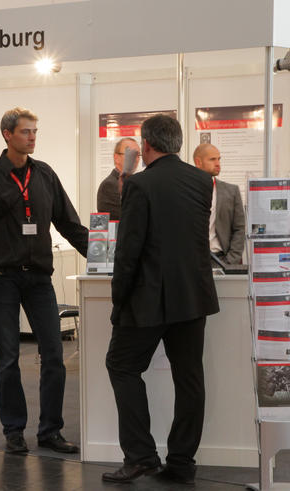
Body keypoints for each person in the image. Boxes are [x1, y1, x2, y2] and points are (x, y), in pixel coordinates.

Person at [102, 115, 219, 485]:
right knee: (189, 378)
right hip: (193, 297)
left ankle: (140, 456)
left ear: (146, 145)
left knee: (121, 366)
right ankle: (182, 461)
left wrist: (118, 301)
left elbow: (129, 251)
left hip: (147, 299)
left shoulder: (139, 185)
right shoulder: (203, 181)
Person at [0, 107, 89, 455]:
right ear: (7, 134)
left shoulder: (45, 175)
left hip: (39, 279)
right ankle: (14, 429)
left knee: (53, 354)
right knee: (7, 358)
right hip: (2, 278)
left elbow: (69, 224)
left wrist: (101, 256)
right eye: (26, 132)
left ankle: (50, 430)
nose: (32, 137)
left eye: (35, 132)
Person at [193, 143, 246, 264]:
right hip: (193, 261)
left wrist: (231, 260)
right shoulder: (185, 191)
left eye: (219, 159)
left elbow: (239, 228)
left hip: (222, 260)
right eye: (212, 159)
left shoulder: (231, 191)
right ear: (198, 162)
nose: (218, 164)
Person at [96, 137, 140, 220]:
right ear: (116, 158)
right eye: (130, 154)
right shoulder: (109, 185)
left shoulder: (133, 183)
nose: (136, 159)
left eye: (137, 155)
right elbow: (128, 216)